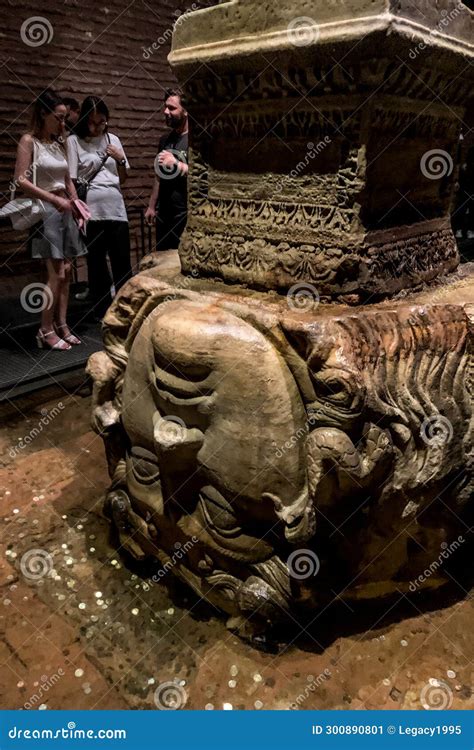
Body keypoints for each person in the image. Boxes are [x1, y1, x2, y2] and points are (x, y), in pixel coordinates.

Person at [14, 88, 86, 350]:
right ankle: (45, 329)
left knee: (67, 271)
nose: (63, 123)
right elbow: (20, 180)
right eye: (59, 117)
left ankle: (62, 325)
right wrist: (53, 199)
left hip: (65, 209)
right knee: (54, 273)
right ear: (44, 114)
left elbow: (67, 180)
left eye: (65, 118)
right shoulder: (28, 141)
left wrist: (77, 204)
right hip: (46, 211)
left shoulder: (59, 142)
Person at [68, 96, 132, 319]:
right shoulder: (74, 141)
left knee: (122, 260)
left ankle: (125, 308)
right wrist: (78, 210)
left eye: (102, 121)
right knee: (97, 263)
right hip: (91, 210)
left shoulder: (112, 138)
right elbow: (72, 180)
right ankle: (102, 311)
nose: (97, 127)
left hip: (116, 207)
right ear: (84, 120)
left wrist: (121, 159)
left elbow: (123, 178)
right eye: (92, 122)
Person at [145, 89, 189, 250]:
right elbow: (159, 175)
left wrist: (177, 164)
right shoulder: (165, 139)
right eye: (165, 107)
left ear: (185, 111)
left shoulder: (196, 139)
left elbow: (203, 174)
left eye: (172, 108)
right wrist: (151, 206)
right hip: (165, 214)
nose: (165, 111)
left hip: (185, 213)